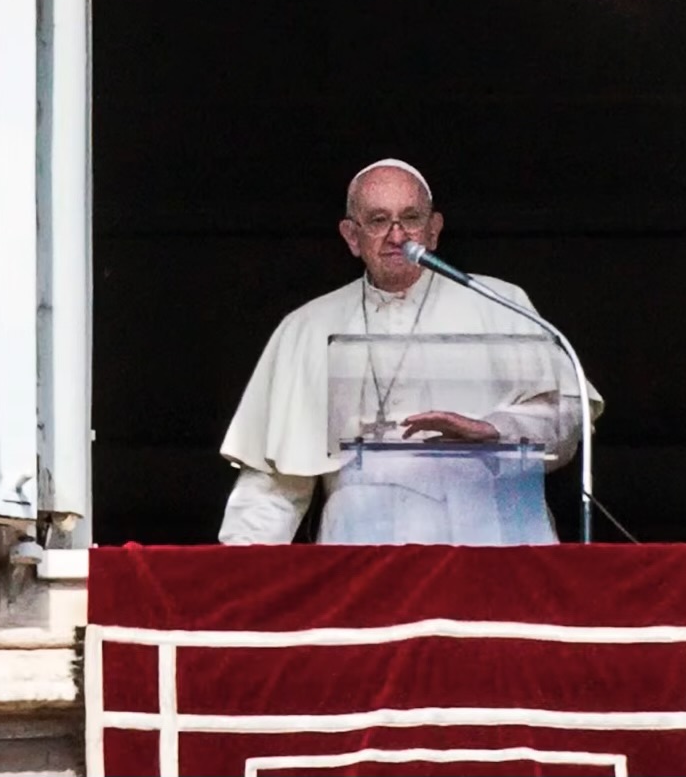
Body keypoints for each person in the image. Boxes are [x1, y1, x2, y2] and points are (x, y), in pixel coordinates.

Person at [217, 158, 603, 545]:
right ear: (352, 236)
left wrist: (495, 429)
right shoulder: (307, 326)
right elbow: (273, 485)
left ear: (433, 231)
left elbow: (568, 415)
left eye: (411, 218)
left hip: (489, 540)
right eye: (378, 220)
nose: (397, 235)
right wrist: (241, 569)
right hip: (361, 546)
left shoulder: (501, 303)